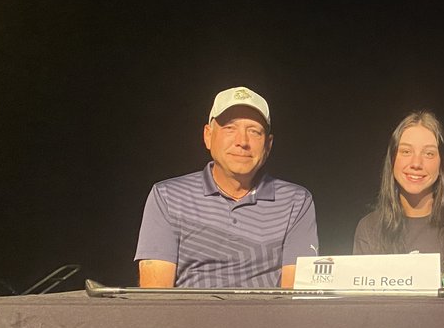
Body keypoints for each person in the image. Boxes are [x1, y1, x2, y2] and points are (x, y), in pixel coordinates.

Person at [135, 86, 317, 288]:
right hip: (188, 319)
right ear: (208, 135)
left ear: (268, 145)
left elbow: (296, 299)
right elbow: (155, 299)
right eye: (230, 128)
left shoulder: (296, 201)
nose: (242, 141)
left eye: (254, 131)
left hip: (267, 319)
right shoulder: (167, 196)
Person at [353, 111, 444, 271]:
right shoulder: (369, 228)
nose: (416, 163)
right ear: (392, 160)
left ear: (442, 164)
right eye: (406, 152)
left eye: (428, 153)